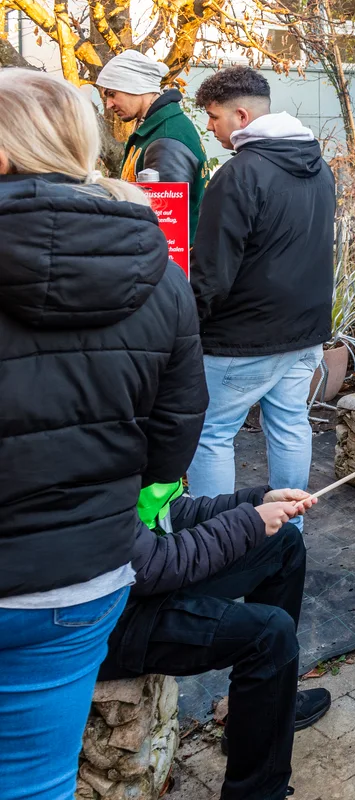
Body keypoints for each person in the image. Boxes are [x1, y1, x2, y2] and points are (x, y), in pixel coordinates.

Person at [0, 69, 206, 797]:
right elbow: (176, 435)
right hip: (84, 579)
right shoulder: (159, 270)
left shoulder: (166, 150)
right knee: (37, 782)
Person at [99, 482, 328, 800]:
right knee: (268, 634)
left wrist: (255, 502)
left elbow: (172, 513)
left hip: (149, 577)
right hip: (108, 617)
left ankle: (259, 721)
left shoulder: (130, 449)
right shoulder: (95, 461)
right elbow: (149, 567)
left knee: (284, 542)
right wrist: (247, 523)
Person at [188, 66, 335, 519]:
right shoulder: (320, 168)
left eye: (212, 117)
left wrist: (185, 324)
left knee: (211, 433)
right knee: (291, 425)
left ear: (240, 114)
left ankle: (216, 543)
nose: (209, 128)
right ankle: (287, 538)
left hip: (239, 338)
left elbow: (211, 272)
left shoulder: (237, 175)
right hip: (305, 333)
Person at [95, 50, 209, 236]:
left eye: (112, 94)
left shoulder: (165, 139)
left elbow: (165, 223)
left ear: (135, 86)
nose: (109, 104)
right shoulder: (153, 128)